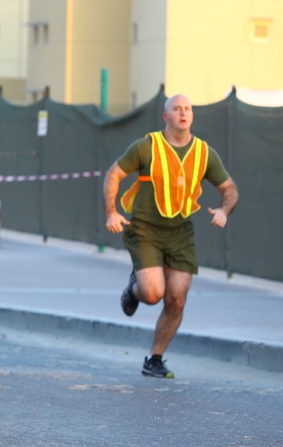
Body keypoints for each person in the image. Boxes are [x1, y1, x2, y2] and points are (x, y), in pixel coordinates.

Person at [104, 93, 238, 379]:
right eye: (176, 109)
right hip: (145, 230)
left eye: (187, 109)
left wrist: (225, 210)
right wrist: (112, 213)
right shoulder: (146, 146)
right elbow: (113, 175)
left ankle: (155, 359)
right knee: (153, 294)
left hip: (180, 234)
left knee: (176, 300)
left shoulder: (204, 153)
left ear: (192, 116)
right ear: (166, 117)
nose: (183, 113)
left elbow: (229, 188)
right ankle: (134, 289)